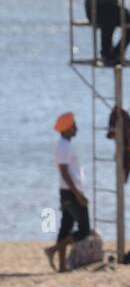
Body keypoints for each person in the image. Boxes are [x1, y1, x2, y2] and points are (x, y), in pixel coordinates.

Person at [44, 113, 90, 272]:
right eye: (74, 125)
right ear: (67, 128)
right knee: (84, 230)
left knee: (66, 227)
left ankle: (62, 266)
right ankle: (53, 250)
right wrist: (78, 194)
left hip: (67, 192)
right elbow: (64, 173)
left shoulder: (65, 145)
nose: (76, 128)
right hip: (70, 193)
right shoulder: (63, 147)